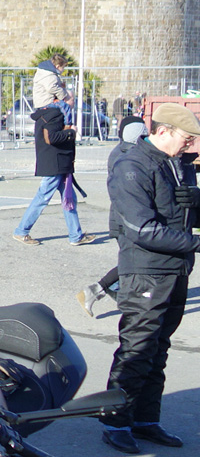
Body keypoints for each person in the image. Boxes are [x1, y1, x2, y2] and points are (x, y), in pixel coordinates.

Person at [101, 102, 200, 454]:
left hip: (175, 268)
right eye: (187, 139)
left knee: (158, 349)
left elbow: (180, 213)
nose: (191, 146)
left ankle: (145, 419)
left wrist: (198, 202)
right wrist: (197, 242)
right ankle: (115, 421)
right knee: (137, 349)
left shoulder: (178, 164)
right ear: (162, 131)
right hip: (145, 271)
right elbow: (142, 229)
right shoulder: (132, 165)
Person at [77, 115, 147, 316]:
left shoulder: (124, 151)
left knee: (134, 261)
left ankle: (116, 294)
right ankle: (96, 290)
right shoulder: (128, 155)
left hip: (124, 218)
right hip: (126, 220)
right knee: (134, 260)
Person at [12, 99, 96, 246]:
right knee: (43, 198)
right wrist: (71, 132)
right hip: (55, 164)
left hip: (57, 163)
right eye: (71, 100)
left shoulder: (46, 113)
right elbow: (51, 137)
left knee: (69, 199)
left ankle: (75, 236)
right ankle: (21, 231)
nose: (72, 104)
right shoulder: (56, 114)